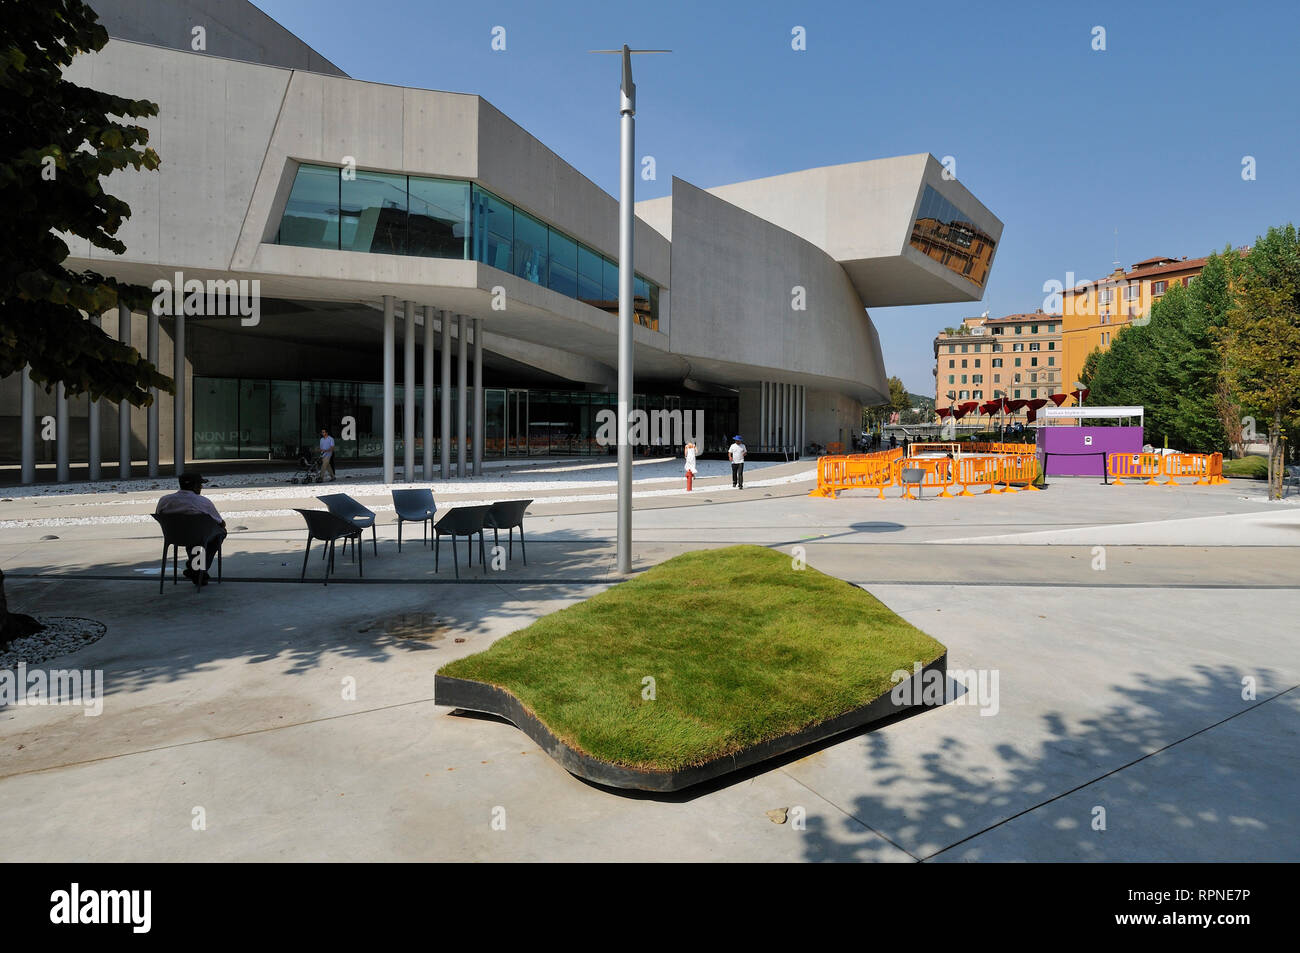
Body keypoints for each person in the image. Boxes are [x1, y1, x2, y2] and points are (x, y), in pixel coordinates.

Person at [155, 472, 226, 586]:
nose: (202, 487)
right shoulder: (202, 501)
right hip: (197, 537)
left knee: (192, 533)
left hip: (173, 536)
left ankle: (196, 567)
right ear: (195, 486)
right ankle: (197, 569)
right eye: (200, 485)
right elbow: (220, 522)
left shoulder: (164, 500)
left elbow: (158, 514)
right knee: (220, 533)